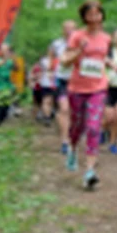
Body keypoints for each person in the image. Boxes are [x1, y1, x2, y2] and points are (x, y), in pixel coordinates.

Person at [61, 0, 112, 189]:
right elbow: (65, 61)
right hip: (77, 87)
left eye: (97, 13)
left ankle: (90, 170)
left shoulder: (106, 38)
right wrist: (79, 51)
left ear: (102, 15)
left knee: (93, 127)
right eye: (90, 14)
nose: (94, 17)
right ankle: (73, 148)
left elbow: (101, 57)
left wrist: (111, 64)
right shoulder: (77, 36)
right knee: (77, 125)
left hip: (98, 87)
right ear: (84, 17)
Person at [51, 20, 77, 153]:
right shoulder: (57, 44)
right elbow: (53, 60)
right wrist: (51, 73)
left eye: (72, 28)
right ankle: (65, 141)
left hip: (78, 81)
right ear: (63, 30)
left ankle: (70, 133)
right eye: (67, 28)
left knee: (73, 111)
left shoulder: (82, 43)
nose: (69, 31)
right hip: (62, 80)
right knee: (64, 108)